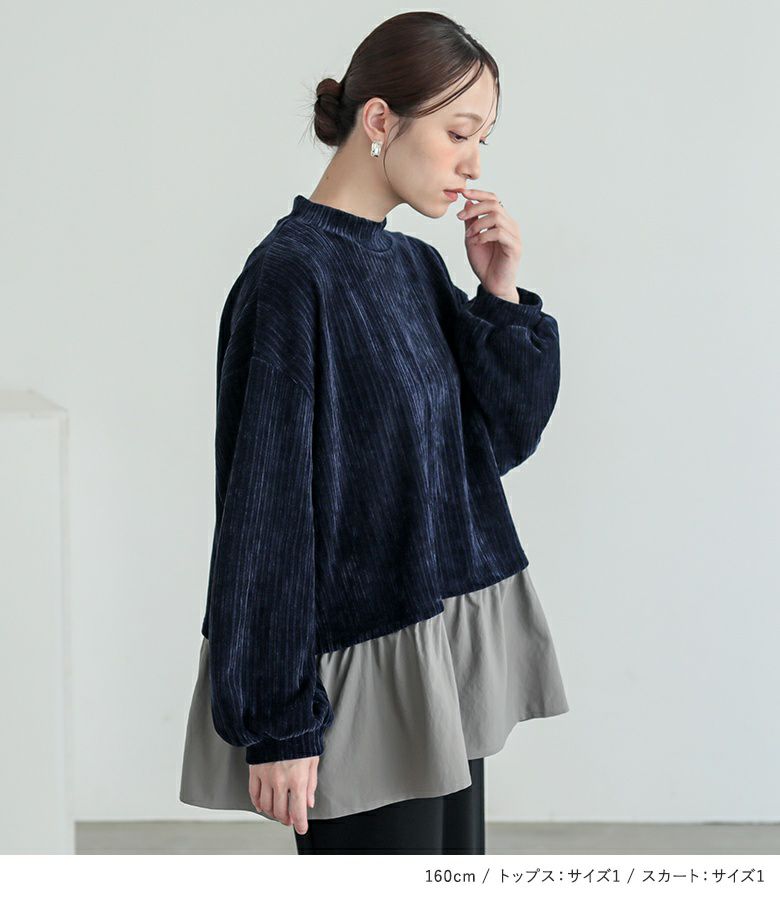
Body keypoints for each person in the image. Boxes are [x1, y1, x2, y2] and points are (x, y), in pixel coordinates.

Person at [179, 10, 569, 855]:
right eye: (459, 132)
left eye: (483, 139)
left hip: (436, 667)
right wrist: (279, 723)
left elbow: (495, 444)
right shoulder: (290, 280)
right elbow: (265, 515)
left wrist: (500, 294)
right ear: (381, 119)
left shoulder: (413, 265)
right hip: (355, 689)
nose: (474, 163)